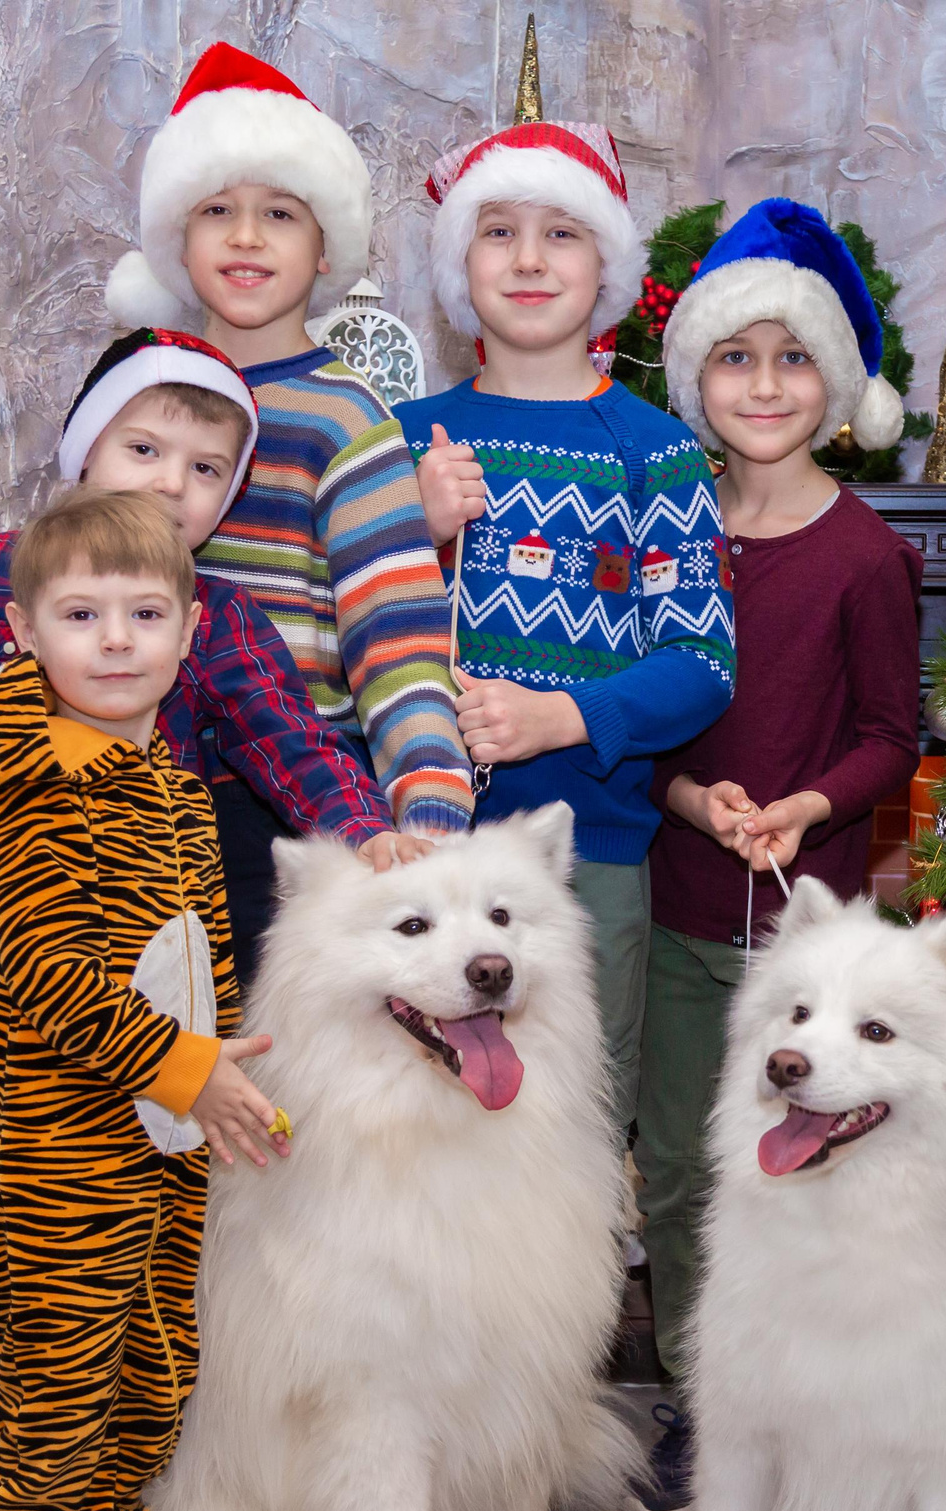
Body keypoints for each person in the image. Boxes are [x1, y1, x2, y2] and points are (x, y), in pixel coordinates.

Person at [0, 330, 415, 1511]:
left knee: (134, 1284)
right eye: (146, 446)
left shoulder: (206, 615)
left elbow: (292, 740)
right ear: (82, 445)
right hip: (18, 1025)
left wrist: (370, 830)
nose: (174, 483)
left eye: (209, 466)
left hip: (161, 1040)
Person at [0, 486, 268, 1511]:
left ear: (188, 631)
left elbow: (184, 954)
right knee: (63, 1374)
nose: (115, 640)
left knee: (150, 1361)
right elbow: (47, 974)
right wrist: (191, 1068)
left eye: (142, 612)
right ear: (23, 633)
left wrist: (220, 1066)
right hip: (57, 1139)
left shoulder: (162, 781)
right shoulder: (36, 787)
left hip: (156, 1133)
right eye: (82, 614)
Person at [631, 199, 924, 1511]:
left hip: (813, 938)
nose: (764, 383)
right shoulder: (664, 529)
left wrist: (807, 804)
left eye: (793, 357)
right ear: (698, 375)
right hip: (682, 909)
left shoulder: (867, 554)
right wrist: (693, 797)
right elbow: (628, 704)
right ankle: (701, 1391)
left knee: (815, 1167)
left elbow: (890, 734)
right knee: (694, 1161)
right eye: (737, 356)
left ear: (835, 382)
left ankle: (815, 1399)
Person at [394, 117, 735, 1162]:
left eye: (561, 234)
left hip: (588, 856)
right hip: (415, 854)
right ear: (460, 266)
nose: (530, 258)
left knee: (570, 1137)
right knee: (409, 1143)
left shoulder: (656, 452)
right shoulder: (409, 440)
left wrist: (563, 717)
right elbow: (339, 632)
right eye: (497, 231)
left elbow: (702, 663)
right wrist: (422, 533)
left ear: (606, 268)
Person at [105, 42, 472, 950]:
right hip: (129, 794)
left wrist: (429, 811)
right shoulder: (136, 399)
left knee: (272, 1066)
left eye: (279, 213)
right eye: (216, 210)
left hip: (287, 806)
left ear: (324, 251)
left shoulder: (346, 418)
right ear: (176, 242)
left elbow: (397, 633)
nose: (245, 236)